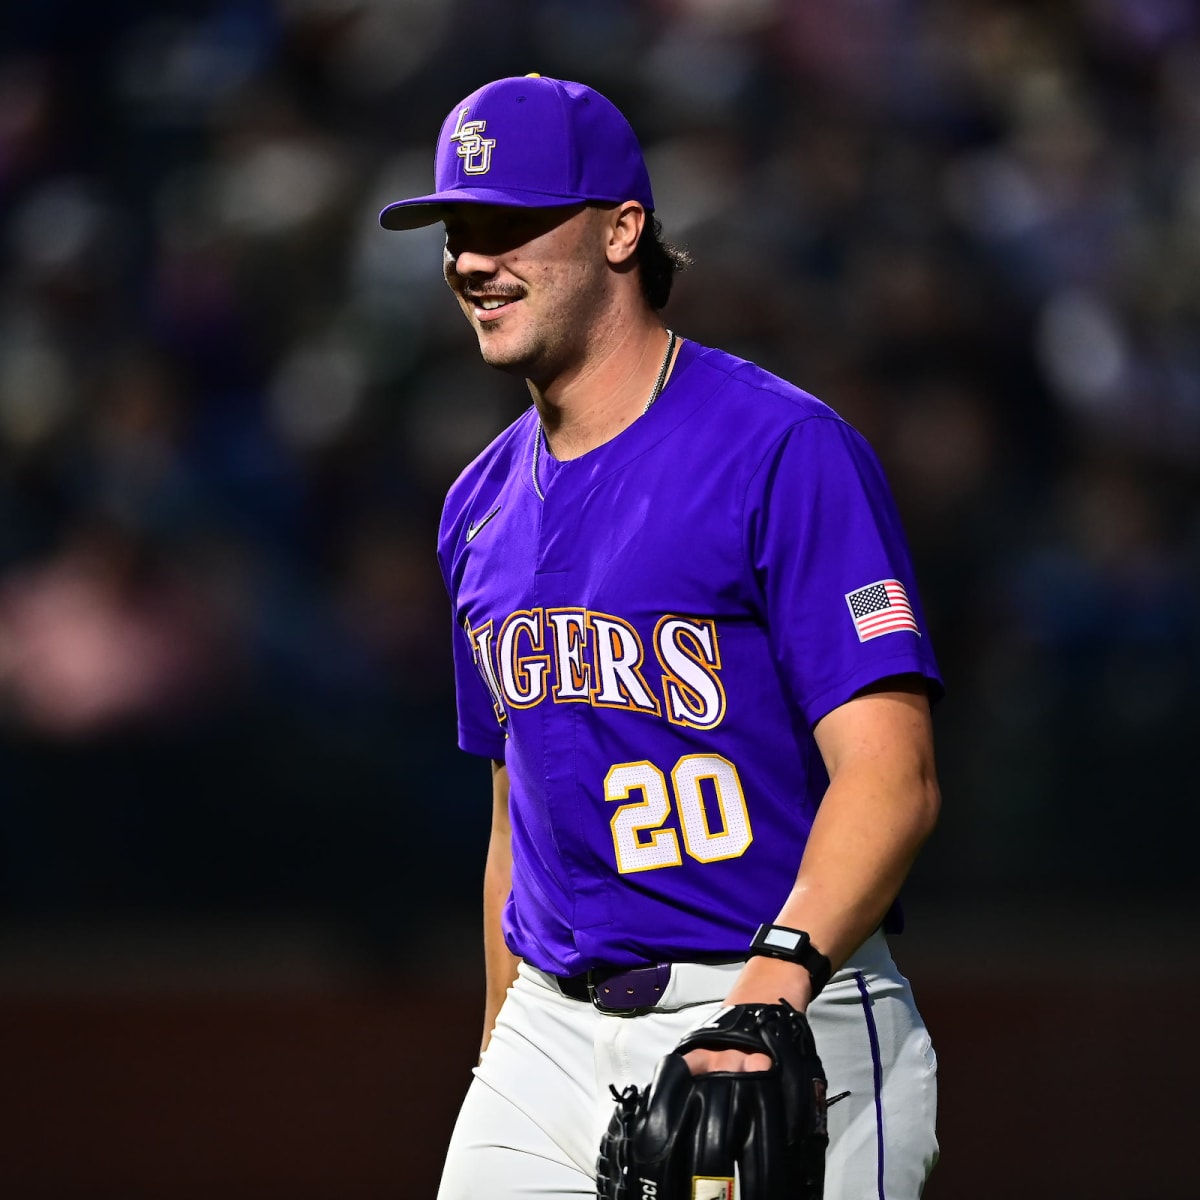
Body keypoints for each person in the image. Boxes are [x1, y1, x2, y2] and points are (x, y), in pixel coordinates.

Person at [380, 74, 943, 1199]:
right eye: (456, 231)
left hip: (784, 1001)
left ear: (623, 229)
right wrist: (502, 1050)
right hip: (552, 1028)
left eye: (510, 225)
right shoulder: (476, 505)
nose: (471, 260)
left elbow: (895, 775)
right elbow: (516, 815)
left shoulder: (782, 450)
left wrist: (774, 991)